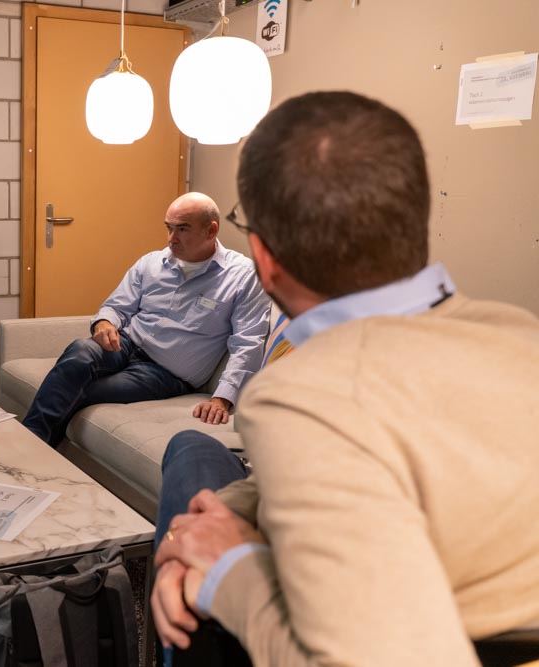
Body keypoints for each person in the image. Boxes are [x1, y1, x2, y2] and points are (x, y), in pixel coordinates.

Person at [152, 92, 539, 666]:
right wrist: (223, 516)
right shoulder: (517, 330)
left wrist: (228, 569)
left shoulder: (302, 397)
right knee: (194, 449)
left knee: (189, 485)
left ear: (265, 259)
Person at [22, 192, 271, 447]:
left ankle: (29, 448)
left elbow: (248, 342)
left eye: (182, 229)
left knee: (81, 390)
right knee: (80, 350)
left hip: (165, 373)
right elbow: (116, 307)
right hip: (126, 343)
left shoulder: (244, 276)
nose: (171, 238)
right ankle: (25, 446)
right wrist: (104, 323)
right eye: (169, 228)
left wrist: (223, 397)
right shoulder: (152, 263)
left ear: (211, 230)